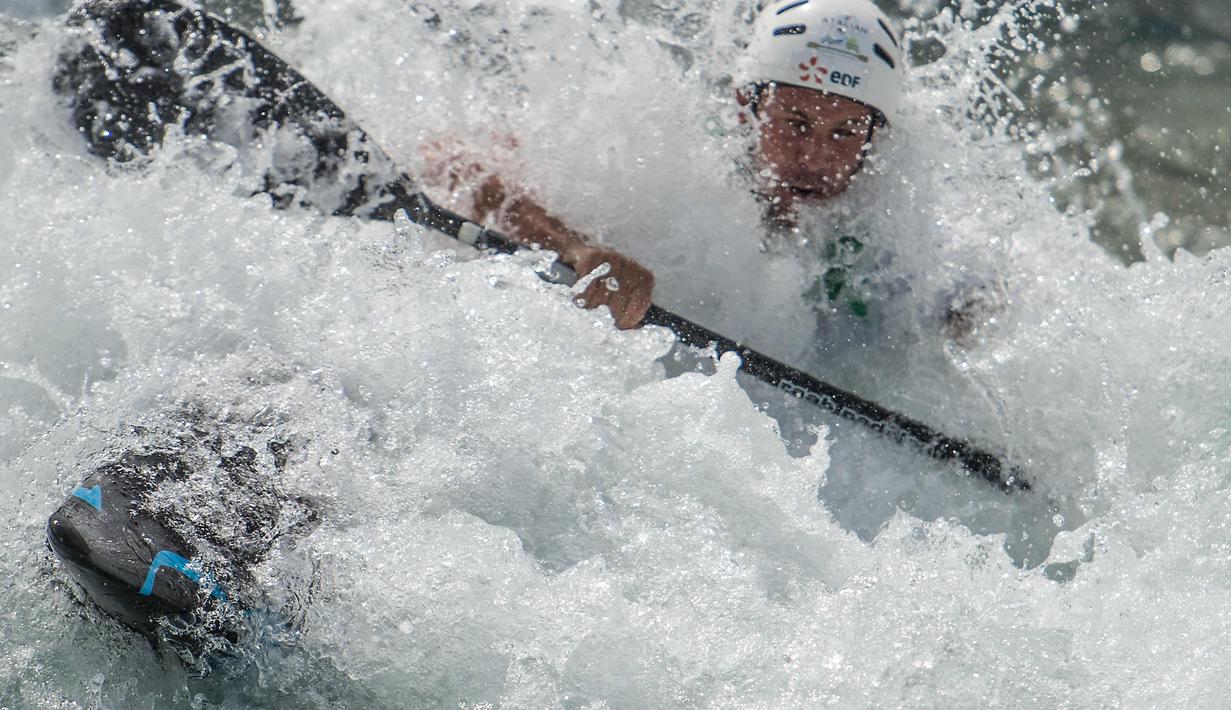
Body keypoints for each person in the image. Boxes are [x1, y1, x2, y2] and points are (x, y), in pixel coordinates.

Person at [425, 0, 907, 332]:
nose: (816, 159)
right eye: (796, 123)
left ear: (872, 139)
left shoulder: (901, 224)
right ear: (747, 109)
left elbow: (959, 303)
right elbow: (455, 161)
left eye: (844, 133)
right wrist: (576, 249)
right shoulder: (672, 164)